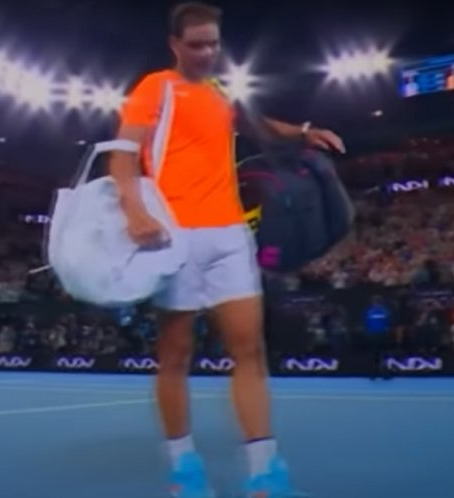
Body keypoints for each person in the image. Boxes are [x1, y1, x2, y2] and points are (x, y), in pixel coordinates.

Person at [108, 3, 345, 497]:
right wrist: (134, 211)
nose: (206, 52)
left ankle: (265, 474)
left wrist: (303, 133)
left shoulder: (218, 91)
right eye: (196, 44)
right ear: (175, 45)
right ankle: (184, 469)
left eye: (213, 43)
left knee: (250, 349)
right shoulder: (155, 87)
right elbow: (123, 156)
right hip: (174, 236)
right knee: (176, 354)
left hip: (230, 235)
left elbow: (258, 124)